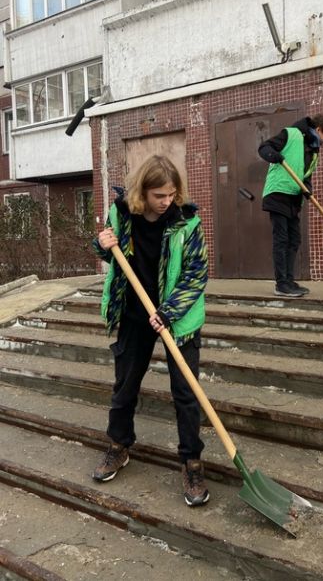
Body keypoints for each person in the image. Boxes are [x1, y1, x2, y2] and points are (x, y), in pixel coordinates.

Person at [92, 154, 209, 507]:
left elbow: (196, 273)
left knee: (186, 393)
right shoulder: (121, 213)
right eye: (160, 195)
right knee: (125, 385)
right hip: (133, 313)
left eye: (171, 194)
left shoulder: (187, 222)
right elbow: (111, 255)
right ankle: (119, 446)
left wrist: (168, 311)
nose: (167, 201)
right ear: (142, 192)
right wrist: (102, 244)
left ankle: (192, 461)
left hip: (178, 316)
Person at [258, 114, 323, 297]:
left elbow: (306, 175)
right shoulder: (291, 134)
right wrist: (274, 155)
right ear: (319, 130)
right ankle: (281, 284)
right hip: (278, 193)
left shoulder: (314, 150)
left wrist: (307, 189)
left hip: (294, 198)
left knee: (294, 240)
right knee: (282, 239)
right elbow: (264, 147)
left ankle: (289, 280)